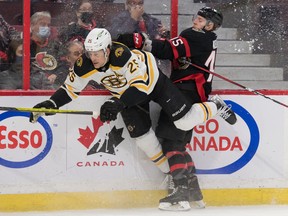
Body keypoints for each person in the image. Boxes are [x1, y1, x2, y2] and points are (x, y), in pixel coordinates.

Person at [29, 28, 236, 211]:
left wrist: (117, 104)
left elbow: (141, 87)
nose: (93, 58)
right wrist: (51, 104)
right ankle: (176, 179)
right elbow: (70, 90)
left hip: (153, 83)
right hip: (126, 95)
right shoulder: (84, 64)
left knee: (183, 121)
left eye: (97, 53)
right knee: (143, 139)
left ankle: (215, 106)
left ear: (108, 50)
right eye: (90, 53)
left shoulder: (123, 56)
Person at [117, 7, 229, 210]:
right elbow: (183, 54)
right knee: (178, 144)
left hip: (183, 94)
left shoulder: (194, 36)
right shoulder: (207, 40)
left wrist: (139, 41)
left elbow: (167, 50)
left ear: (210, 25)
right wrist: (184, 59)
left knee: (170, 143)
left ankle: (180, 192)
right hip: (196, 95)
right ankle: (194, 192)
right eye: (197, 17)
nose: (196, 21)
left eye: (202, 20)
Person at [30, 11, 66, 89]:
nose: (46, 27)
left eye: (48, 25)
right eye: (43, 24)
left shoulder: (56, 45)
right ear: (32, 25)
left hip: (54, 86)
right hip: (33, 87)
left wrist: (56, 75)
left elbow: (64, 65)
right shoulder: (26, 45)